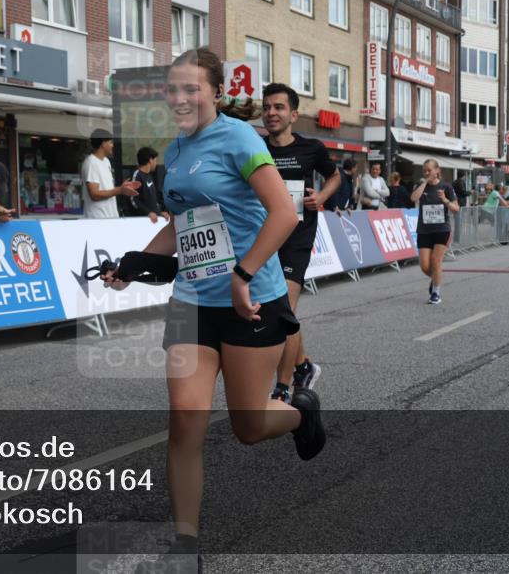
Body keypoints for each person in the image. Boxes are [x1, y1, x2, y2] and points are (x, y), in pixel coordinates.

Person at [104, 48, 325, 572]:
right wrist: (133, 264)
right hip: (190, 300)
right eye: (172, 89)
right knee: (185, 419)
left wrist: (243, 273)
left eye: (190, 89)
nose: (179, 98)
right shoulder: (176, 150)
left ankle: (300, 413)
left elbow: (284, 213)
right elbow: (183, 224)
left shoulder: (240, 139)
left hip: (250, 297)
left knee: (248, 426)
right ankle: (186, 549)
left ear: (215, 94)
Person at [260, 82, 340, 402]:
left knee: (281, 310)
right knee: (284, 311)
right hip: (265, 236)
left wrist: (320, 196)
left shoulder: (312, 148)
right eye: (266, 107)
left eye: (278, 107)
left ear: (293, 114)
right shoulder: (255, 148)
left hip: (297, 236)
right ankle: (304, 365)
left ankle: (283, 387)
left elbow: (335, 176)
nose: (271, 113)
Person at [411, 158, 459, 304]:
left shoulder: (446, 186)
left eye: (429, 170)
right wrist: (425, 182)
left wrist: (445, 200)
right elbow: (413, 198)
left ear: (437, 170)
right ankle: (435, 279)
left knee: (436, 261)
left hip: (442, 229)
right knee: (425, 265)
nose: (427, 172)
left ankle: (436, 293)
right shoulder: (421, 185)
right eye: (424, 170)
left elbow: (456, 209)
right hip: (424, 230)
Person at [81, 129, 140, 218]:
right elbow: (94, 194)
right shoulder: (91, 162)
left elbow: (107, 188)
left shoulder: (106, 161)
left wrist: (123, 188)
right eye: (110, 142)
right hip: (97, 219)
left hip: (109, 217)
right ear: (103, 144)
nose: (112, 145)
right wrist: (120, 190)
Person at [129, 146, 170, 224]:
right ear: (150, 160)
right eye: (155, 160)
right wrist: (148, 213)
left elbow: (152, 201)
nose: (156, 163)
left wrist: (159, 212)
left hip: (153, 222)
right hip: (142, 222)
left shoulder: (149, 176)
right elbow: (133, 200)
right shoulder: (137, 175)